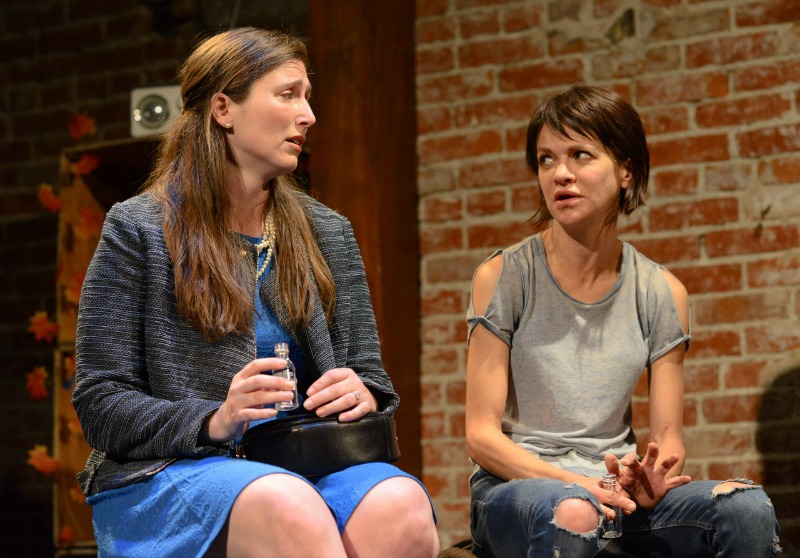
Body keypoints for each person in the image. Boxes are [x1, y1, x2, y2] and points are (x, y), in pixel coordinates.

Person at [72, 27, 439, 558]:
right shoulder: (139, 229)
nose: (308, 115)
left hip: (307, 456)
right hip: (176, 468)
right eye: (288, 94)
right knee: (287, 507)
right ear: (224, 108)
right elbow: (100, 401)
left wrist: (364, 393)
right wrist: (214, 418)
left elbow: (371, 376)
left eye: (307, 97)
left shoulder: (327, 231)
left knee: (400, 507)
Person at [464, 84, 782, 557]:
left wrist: (655, 476)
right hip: (517, 490)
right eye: (546, 159)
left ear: (626, 170)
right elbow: (481, 437)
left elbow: (668, 435)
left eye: (580, 155)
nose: (561, 174)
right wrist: (578, 484)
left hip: (618, 496)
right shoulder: (505, 275)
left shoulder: (661, 291)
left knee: (746, 507)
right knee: (573, 510)